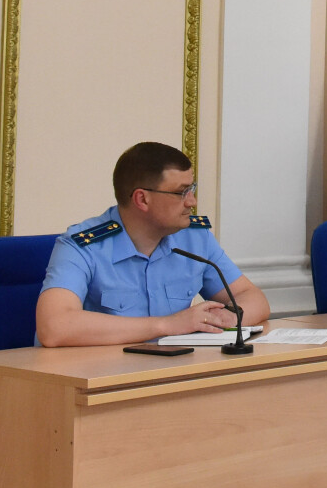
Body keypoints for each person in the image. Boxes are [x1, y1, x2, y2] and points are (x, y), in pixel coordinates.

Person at [35, 142, 271, 346]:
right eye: (182, 192)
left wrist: (230, 317)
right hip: (101, 376)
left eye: (192, 189)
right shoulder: (82, 245)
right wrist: (167, 325)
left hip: (173, 372)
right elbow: (54, 327)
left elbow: (252, 297)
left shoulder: (194, 238)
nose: (192, 202)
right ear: (142, 199)